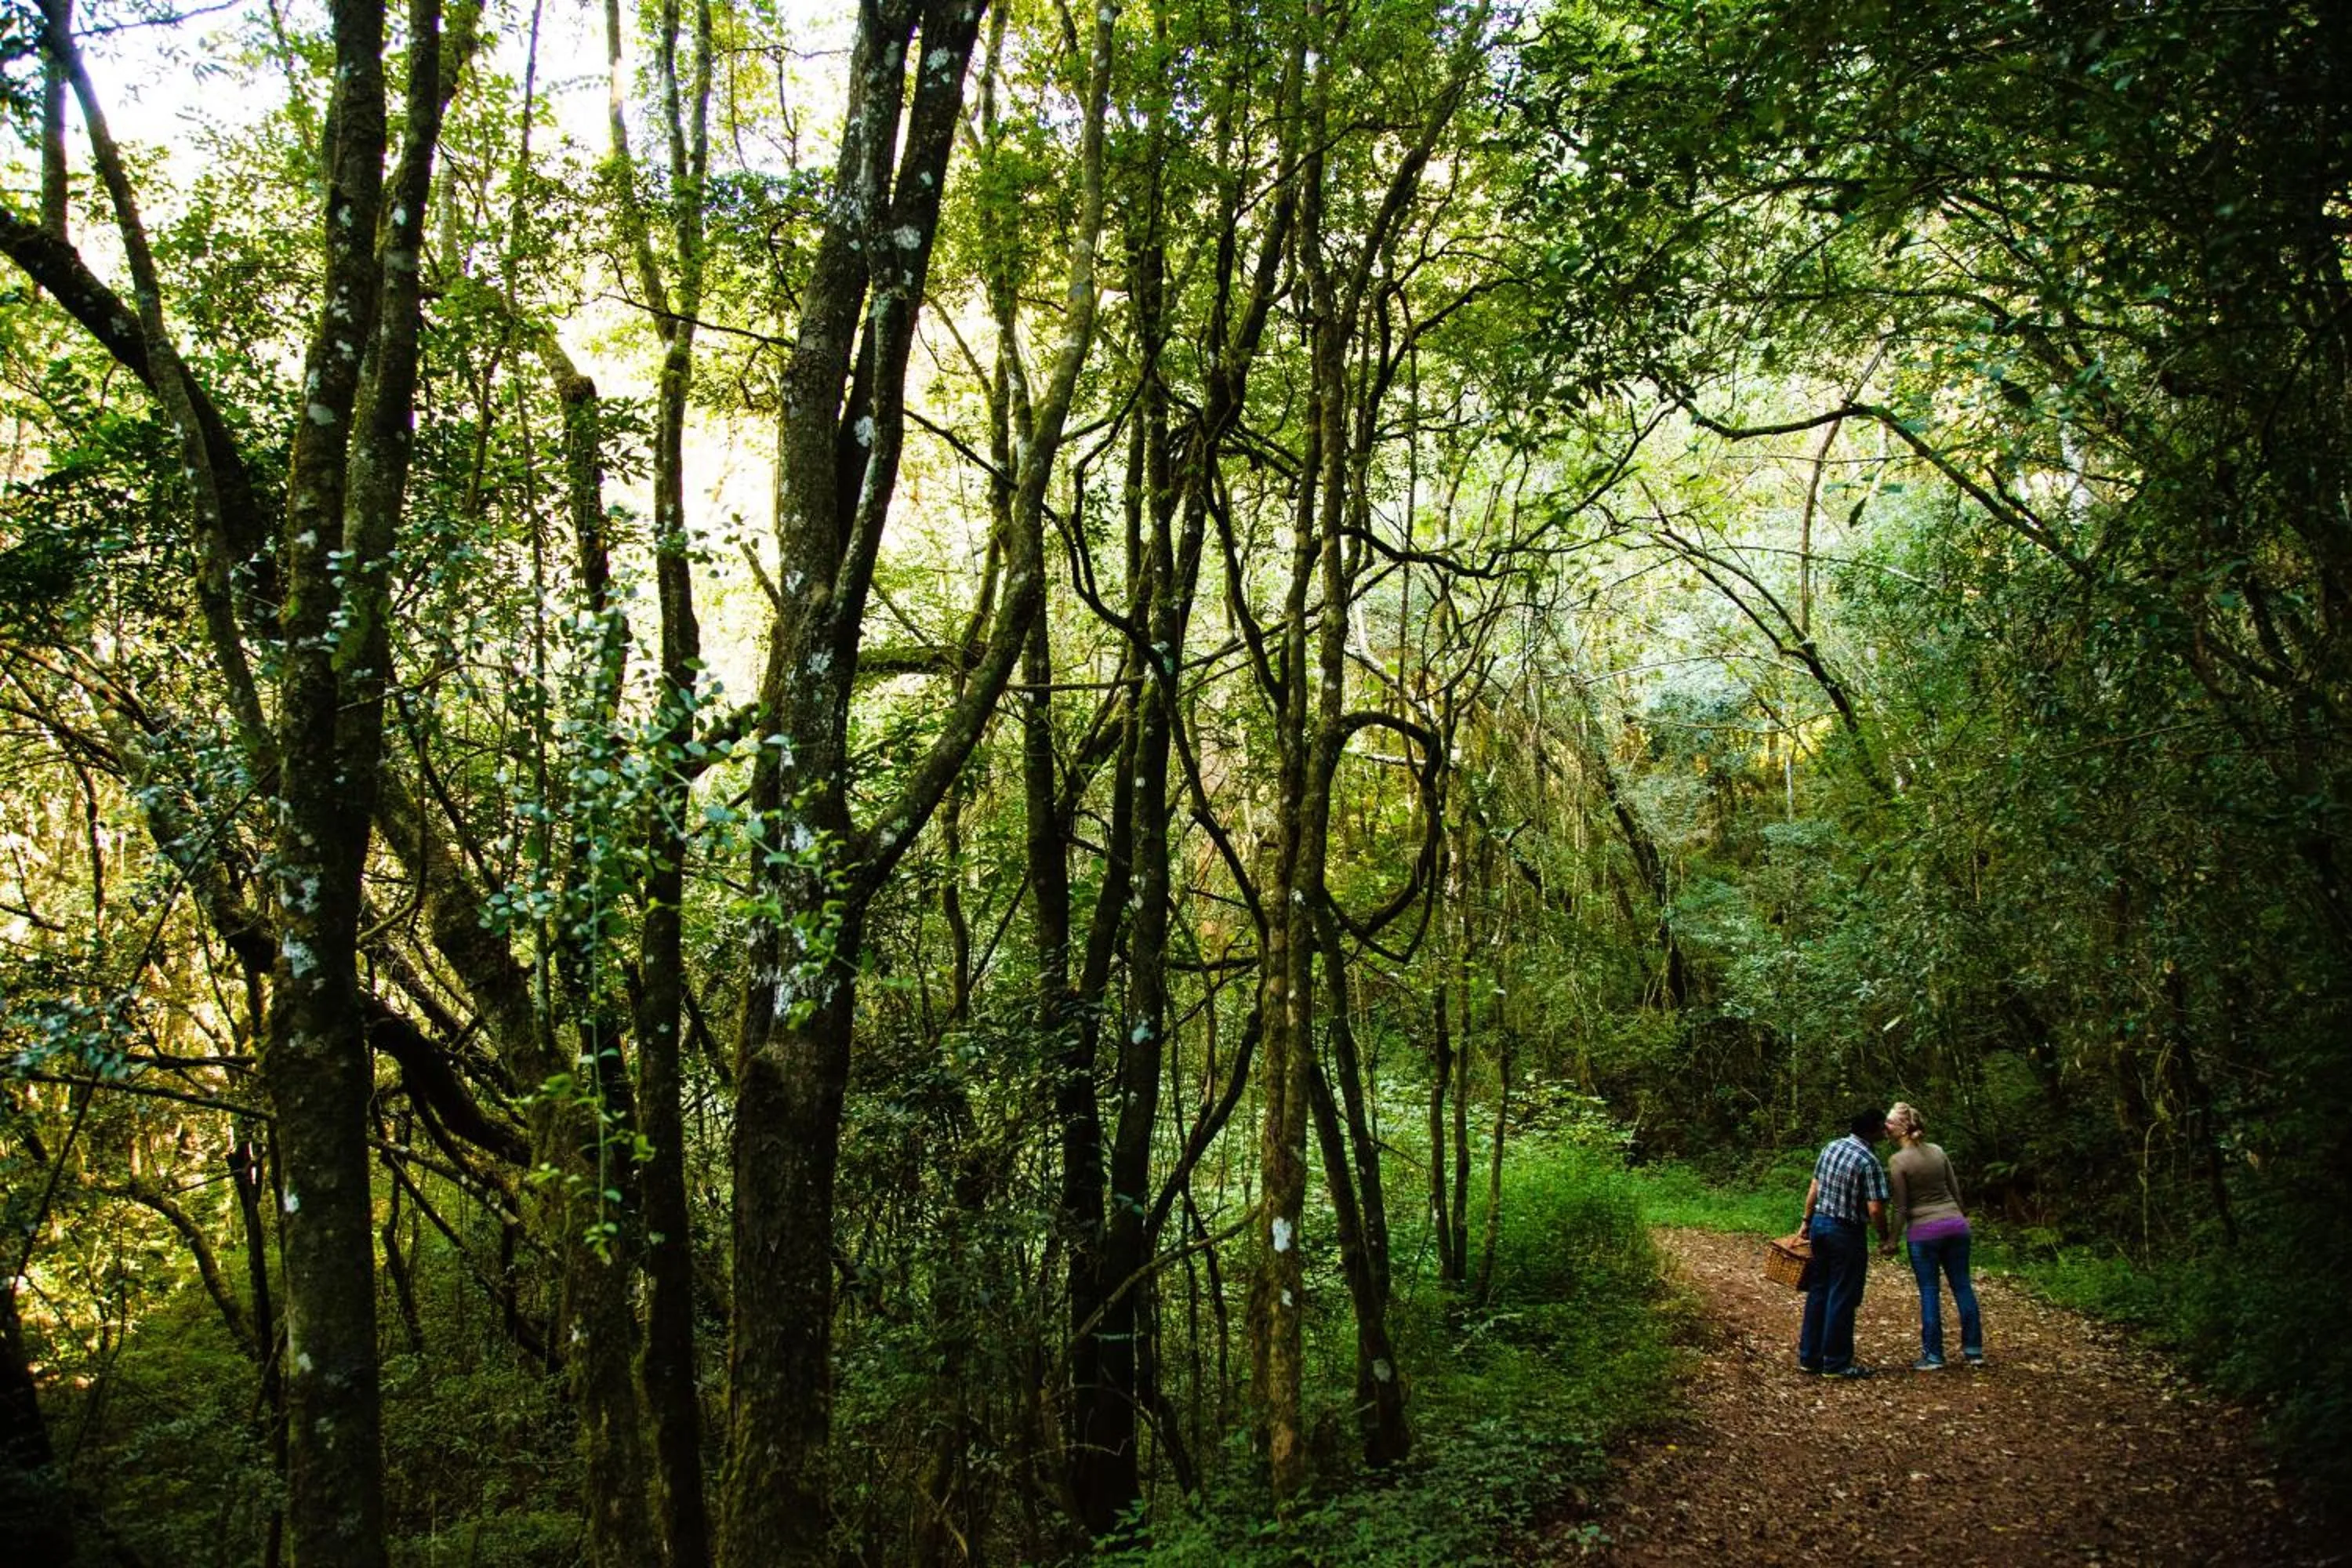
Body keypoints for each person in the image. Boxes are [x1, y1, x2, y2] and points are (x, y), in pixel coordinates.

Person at [1879, 1101, 1984, 1370]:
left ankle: (1934, 1355)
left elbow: (1901, 1206)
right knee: (1962, 1286)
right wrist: (1962, 1218)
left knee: (1929, 1291)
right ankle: (1974, 1350)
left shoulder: (1897, 1161)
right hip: (1955, 1225)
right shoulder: (1938, 1152)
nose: (1886, 1127)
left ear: (1903, 1128)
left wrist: (1892, 1239)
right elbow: (1955, 1190)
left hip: (1924, 1231)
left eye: (1890, 1123)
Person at [1798, 1106, 1890, 1377]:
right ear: (1872, 1129)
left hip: (1820, 1224)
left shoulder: (1832, 1147)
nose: (1885, 1130)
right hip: (1846, 1232)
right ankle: (1836, 1362)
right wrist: (1885, 1237)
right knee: (1843, 1294)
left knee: (1819, 1291)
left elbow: (1815, 1187)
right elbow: (1875, 1209)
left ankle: (1810, 1357)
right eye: (1882, 1126)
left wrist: (1806, 1221)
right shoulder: (1868, 1160)